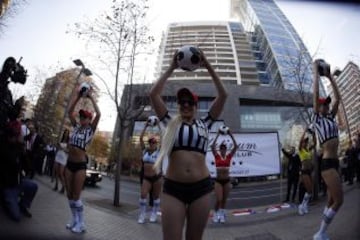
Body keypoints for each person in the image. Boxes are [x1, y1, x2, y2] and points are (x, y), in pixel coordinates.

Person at [149, 48, 227, 240]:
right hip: (173, 188)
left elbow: (223, 95)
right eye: (181, 102)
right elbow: (153, 95)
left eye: (189, 102)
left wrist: (207, 64)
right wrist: (171, 68)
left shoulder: (205, 123)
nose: (185, 105)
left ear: (195, 106)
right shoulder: (170, 122)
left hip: (201, 189)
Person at [312, 59, 343, 240]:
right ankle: (320, 233)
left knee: (332, 200)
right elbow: (315, 94)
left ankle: (322, 231)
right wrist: (315, 73)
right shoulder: (317, 119)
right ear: (319, 107)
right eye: (323, 104)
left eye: (326, 104)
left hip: (335, 161)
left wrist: (330, 76)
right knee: (339, 201)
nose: (326, 106)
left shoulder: (331, 118)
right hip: (327, 164)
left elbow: (338, 98)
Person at [64, 87, 100, 233]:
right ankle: (74, 219)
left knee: (77, 196)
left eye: (85, 117)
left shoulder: (90, 129)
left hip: (80, 165)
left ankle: (82, 222)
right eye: (81, 117)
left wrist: (90, 97)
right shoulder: (76, 126)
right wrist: (79, 96)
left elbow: (99, 114)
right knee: (69, 195)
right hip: (69, 163)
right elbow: (69, 111)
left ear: (89, 120)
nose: (82, 119)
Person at [0, 120, 38, 222]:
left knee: (33, 185)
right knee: (16, 217)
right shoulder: (5, 148)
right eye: (20, 134)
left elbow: (28, 167)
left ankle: (23, 205)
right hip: (8, 186)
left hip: (18, 182)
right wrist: (21, 148)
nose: (22, 136)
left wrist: (23, 151)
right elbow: (14, 163)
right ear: (14, 136)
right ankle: (5, 201)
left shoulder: (18, 147)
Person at [211, 129, 237, 224]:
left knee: (224, 199)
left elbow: (236, 146)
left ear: (226, 149)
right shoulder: (217, 156)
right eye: (221, 148)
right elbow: (212, 146)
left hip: (227, 181)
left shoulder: (229, 156)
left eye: (224, 148)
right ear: (220, 149)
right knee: (219, 199)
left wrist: (230, 134)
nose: (222, 149)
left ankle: (221, 215)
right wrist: (218, 134)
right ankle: (215, 214)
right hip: (218, 181)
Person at [137, 121, 162, 224]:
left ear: (156, 144)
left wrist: (159, 125)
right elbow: (140, 138)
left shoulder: (159, 151)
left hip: (156, 178)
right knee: (143, 195)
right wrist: (146, 126)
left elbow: (164, 139)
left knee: (156, 197)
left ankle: (154, 213)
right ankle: (142, 215)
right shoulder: (145, 151)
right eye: (150, 142)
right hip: (146, 177)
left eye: (153, 142)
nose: (151, 144)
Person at [297, 128, 316, 215]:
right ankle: (301, 206)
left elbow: (315, 143)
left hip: (309, 171)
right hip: (304, 172)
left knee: (310, 191)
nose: (306, 143)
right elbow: (300, 141)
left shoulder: (308, 150)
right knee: (308, 190)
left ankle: (304, 205)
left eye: (306, 142)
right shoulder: (301, 150)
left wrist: (313, 134)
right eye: (305, 141)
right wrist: (304, 131)